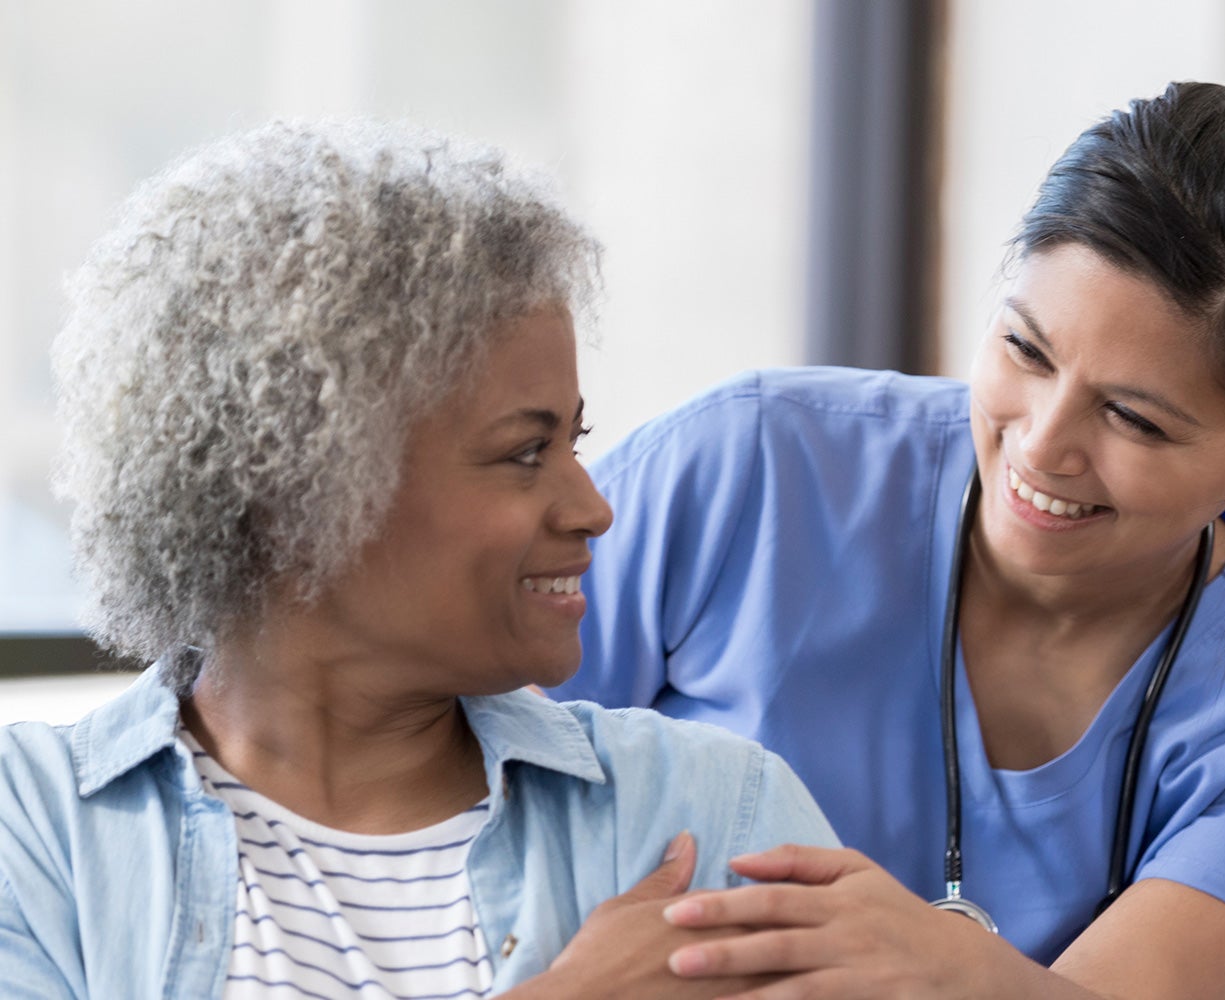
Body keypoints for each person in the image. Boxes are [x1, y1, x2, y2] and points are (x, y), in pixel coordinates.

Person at [555, 81, 1225, 999]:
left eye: (1133, 419)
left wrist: (941, 964)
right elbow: (447, 768)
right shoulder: (754, 466)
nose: (1041, 444)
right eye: (1026, 352)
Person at [0, 120, 837, 999]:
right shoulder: (37, 830)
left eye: (575, 443)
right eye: (525, 452)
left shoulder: (708, 809)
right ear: (303, 495)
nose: (594, 509)